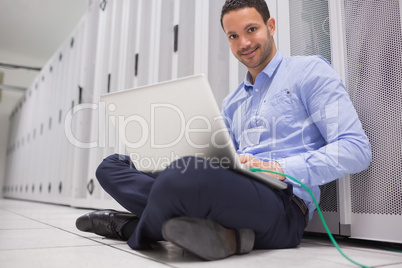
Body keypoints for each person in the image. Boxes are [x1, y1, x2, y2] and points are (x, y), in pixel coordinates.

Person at [76, 0, 372, 261]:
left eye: (251, 30)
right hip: (235, 189)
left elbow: (356, 149)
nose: (244, 43)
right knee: (111, 166)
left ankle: (130, 227)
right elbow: (220, 161)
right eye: (233, 36)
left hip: (284, 206)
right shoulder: (232, 102)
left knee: (181, 178)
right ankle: (212, 228)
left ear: (271, 26)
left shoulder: (309, 72)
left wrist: (278, 167)